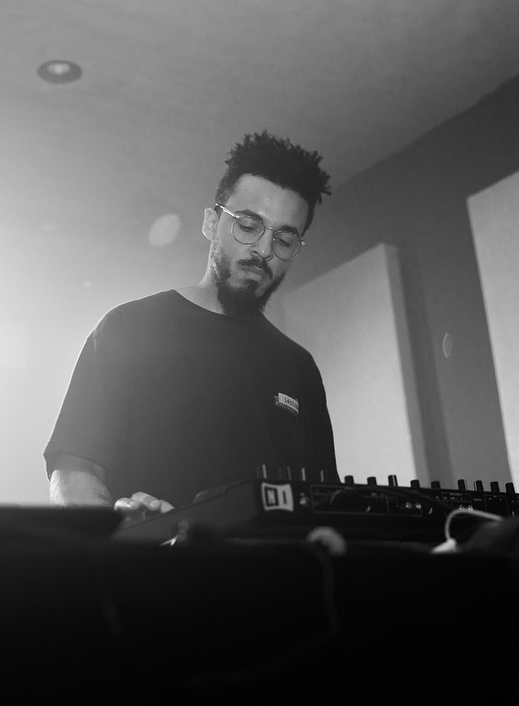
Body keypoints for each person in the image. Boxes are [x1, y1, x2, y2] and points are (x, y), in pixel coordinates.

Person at [44, 130, 338, 520]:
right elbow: (74, 471)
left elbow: (325, 506)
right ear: (212, 222)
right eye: (248, 226)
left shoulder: (299, 369)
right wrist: (121, 532)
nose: (263, 250)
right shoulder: (128, 329)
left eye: (284, 240)